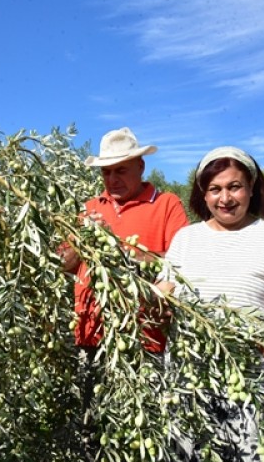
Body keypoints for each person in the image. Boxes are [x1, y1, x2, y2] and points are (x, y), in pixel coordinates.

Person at [159, 146, 264, 462]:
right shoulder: (186, 239)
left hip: (257, 376)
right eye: (215, 189)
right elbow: (165, 291)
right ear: (203, 193)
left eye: (234, 187)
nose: (225, 198)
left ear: (252, 188)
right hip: (191, 379)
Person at [61, 127, 189, 353]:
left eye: (120, 170)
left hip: (145, 341)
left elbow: (181, 265)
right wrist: (78, 240)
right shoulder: (89, 209)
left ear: (140, 166)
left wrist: (115, 247)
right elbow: (63, 264)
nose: (112, 179)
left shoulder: (167, 204)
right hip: (90, 335)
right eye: (106, 172)